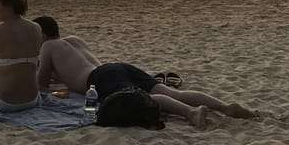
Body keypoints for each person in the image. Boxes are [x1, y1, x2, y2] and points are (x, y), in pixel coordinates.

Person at [33, 15, 257, 128]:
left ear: (41, 34)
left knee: (144, 98)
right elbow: (73, 68)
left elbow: (40, 84)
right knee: (171, 92)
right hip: (115, 67)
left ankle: (191, 113)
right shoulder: (73, 41)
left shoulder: (47, 47)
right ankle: (225, 107)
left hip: (97, 79)